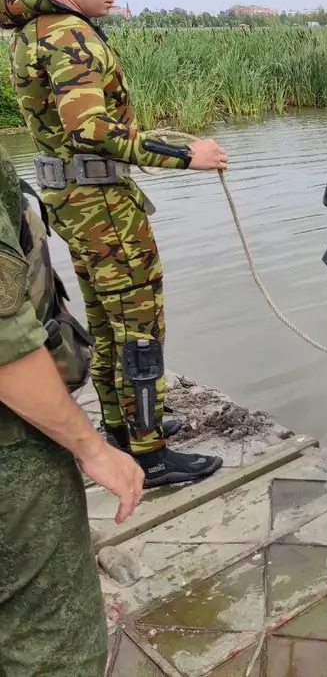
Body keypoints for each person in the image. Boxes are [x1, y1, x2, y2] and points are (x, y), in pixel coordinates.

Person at [2, 0, 227, 487]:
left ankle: (122, 426)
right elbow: (90, 130)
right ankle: (148, 454)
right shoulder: (69, 34)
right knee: (140, 323)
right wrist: (186, 153)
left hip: (73, 200)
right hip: (99, 204)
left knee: (108, 320)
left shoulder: (35, 28)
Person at [0, 152, 145, 677]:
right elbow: (5, 347)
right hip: (13, 453)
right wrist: (90, 447)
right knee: (55, 648)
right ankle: (141, 436)